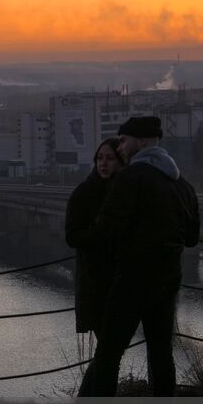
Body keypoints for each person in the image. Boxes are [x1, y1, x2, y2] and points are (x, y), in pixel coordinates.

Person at [76, 116, 200, 397]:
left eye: (123, 140)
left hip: (132, 279)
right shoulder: (183, 185)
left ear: (141, 141)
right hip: (168, 280)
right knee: (161, 353)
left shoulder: (131, 177)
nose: (119, 146)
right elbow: (191, 237)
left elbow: (107, 229)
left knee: (109, 355)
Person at [64, 137, 124, 347]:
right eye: (99, 158)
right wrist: (101, 235)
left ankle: (98, 381)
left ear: (121, 161)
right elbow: (72, 236)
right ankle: (96, 382)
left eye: (110, 158)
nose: (103, 163)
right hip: (95, 281)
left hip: (123, 281)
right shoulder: (83, 193)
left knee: (112, 349)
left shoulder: (127, 191)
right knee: (109, 348)